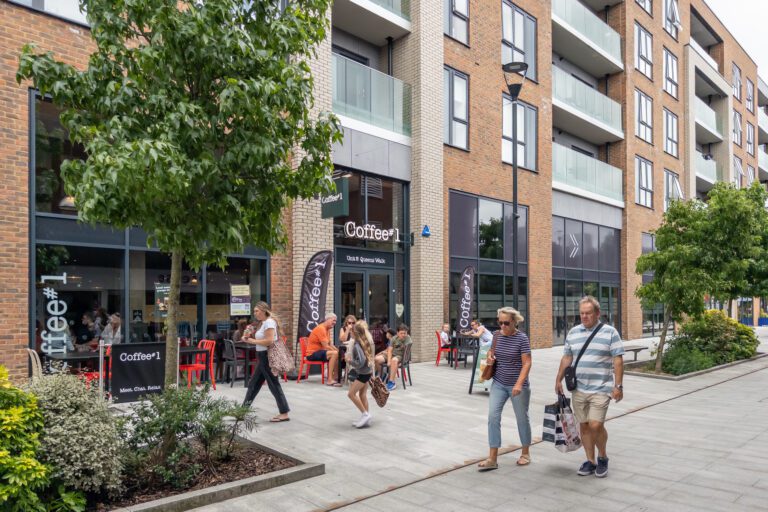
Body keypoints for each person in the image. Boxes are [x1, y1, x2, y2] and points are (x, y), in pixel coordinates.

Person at [555, 296, 624, 478]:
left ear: (597, 313)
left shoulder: (610, 332)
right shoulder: (573, 332)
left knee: (595, 424)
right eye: (582, 313)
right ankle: (590, 461)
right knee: (584, 426)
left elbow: (618, 360)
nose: (584, 316)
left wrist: (618, 386)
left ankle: (603, 457)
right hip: (578, 388)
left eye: (588, 313)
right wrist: (558, 380)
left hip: (601, 388)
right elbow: (567, 358)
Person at [478, 307, 533, 471]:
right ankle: (492, 458)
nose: (502, 326)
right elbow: (491, 353)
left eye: (506, 323)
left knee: (522, 419)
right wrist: (490, 357)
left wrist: (519, 384)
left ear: (514, 322)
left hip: (518, 385)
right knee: (493, 417)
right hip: (499, 383)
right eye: (500, 322)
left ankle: (525, 453)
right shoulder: (496, 336)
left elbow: (527, 363)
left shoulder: (522, 338)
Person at [242, 302, 290, 422]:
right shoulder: (263, 323)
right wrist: (248, 334)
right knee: (253, 384)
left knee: (273, 384)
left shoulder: (269, 322)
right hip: (262, 356)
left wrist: (251, 341)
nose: (255, 313)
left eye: (257, 311)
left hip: (267, 356)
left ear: (264, 311)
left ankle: (284, 413)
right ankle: (242, 411)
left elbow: (269, 341)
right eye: (254, 311)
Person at [346, 320, 375, 428]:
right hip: (367, 372)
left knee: (351, 394)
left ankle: (365, 414)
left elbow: (361, 361)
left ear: (355, 333)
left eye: (351, 331)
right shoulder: (365, 341)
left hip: (363, 373)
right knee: (362, 395)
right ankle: (366, 418)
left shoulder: (357, 345)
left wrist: (350, 361)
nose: (350, 332)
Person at [306, 313, 340, 386]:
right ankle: (330, 380)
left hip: (319, 352)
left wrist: (338, 351)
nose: (335, 323)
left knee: (337, 354)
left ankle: (335, 377)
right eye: (333, 320)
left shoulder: (327, 329)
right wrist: (335, 351)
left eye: (335, 321)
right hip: (312, 354)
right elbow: (326, 346)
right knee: (334, 353)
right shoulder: (321, 329)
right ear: (327, 319)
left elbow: (330, 344)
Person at [383, 324, 412, 391]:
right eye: (401, 333)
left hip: (400, 356)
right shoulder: (394, 338)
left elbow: (407, 352)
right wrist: (388, 361)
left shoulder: (408, 339)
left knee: (394, 360)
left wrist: (403, 362)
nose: (403, 335)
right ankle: (384, 376)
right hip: (392, 355)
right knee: (377, 359)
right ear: (397, 333)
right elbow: (390, 350)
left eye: (405, 333)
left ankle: (391, 382)